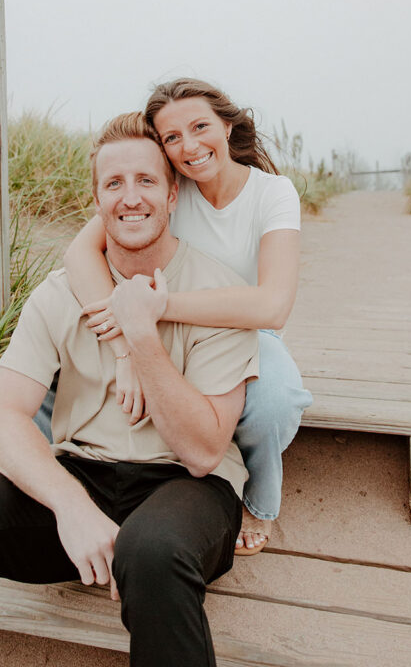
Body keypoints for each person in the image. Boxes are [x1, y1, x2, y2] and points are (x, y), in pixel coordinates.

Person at [0, 113, 259, 667]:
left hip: (187, 489)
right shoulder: (59, 294)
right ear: (96, 201)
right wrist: (71, 506)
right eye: (114, 184)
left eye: (146, 181)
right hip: (82, 474)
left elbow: (202, 451)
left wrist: (140, 338)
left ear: (174, 194)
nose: (131, 198)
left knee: (152, 551)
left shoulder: (219, 292)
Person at [63, 78, 312, 555]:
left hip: (245, 332)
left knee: (274, 400)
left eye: (200, 127)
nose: (189, 146)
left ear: (228, 124)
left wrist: (158, 307)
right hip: (161, 331)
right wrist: (124, 348)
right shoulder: (169, 191)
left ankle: (259, 502)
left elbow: (273, 305)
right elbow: (79, 253)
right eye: (172, 138)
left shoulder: (273, 194)